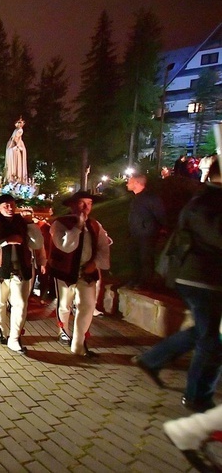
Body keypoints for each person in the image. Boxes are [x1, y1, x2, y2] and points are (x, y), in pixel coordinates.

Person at [133, 158, 222, 413]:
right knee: (211, 341)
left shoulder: (209, 198)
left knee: (205, 332)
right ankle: (197, 397)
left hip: (204, 278)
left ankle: (152, 360)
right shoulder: (207, 201)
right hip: (200, 278)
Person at [48, 191, 112, 357]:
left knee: (87, 306)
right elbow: (65, 246)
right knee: (65, 304)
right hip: (66, 271)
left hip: (87, 271)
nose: (86, 207)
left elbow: (103, 248)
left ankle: (79, 345)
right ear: (72, 205)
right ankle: (63, 330)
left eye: (89, 203)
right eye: (82, 203)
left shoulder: (95, 225)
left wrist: (95, 263)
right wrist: (78, 226)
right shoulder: (60, 223)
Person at [0, 194, 44, 354]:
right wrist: (6, 241)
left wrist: (31, 224)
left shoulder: (23, 222)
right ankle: (1, 329)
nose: (10, 208)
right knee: (0, 303)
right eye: (6, 205)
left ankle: (14, 338)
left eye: (12, 205)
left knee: (20, 304)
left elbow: (37, 243)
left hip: (20, 269)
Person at [126, 174, 167, 288]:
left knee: (146, 259)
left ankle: (145, 283)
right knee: (134, 258)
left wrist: (160, 229)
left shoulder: (150, 198)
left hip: (147, 235)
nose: (127, 183)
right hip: (135, 234)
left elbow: (160, 214)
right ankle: (135, 279)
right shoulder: (136, 198)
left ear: (137, 183)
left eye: (130, 181)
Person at [5, 117, 28, 183]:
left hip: (19, 160)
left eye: (20, 135)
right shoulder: (10, 142)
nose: (18, 136)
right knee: (13, 171)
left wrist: (20, 148)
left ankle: (20, 180)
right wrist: (14, 148)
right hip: (13, 160)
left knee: (19, 171)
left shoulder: (21, 142)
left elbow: (23, 150)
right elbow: (8, 151)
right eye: (17, 134)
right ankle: (11, 180)